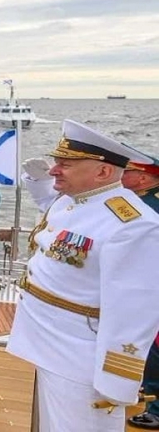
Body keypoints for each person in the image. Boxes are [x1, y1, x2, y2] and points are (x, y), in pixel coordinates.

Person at [6, 120, 159, 432]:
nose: (54, 171)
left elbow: (134, 312)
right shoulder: (77, 200)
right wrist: (35, 181)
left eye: (64, 164)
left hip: (84, 360)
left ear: (102, 172)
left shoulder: (134, 226)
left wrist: (115, 382)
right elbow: (58, 209)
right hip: (50, 343)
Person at [123, 151, 159, 430]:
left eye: (128, 172)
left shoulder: (151, 206)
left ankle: (156, 407)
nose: (123, 176)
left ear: (144, 178)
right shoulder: (138, 201)